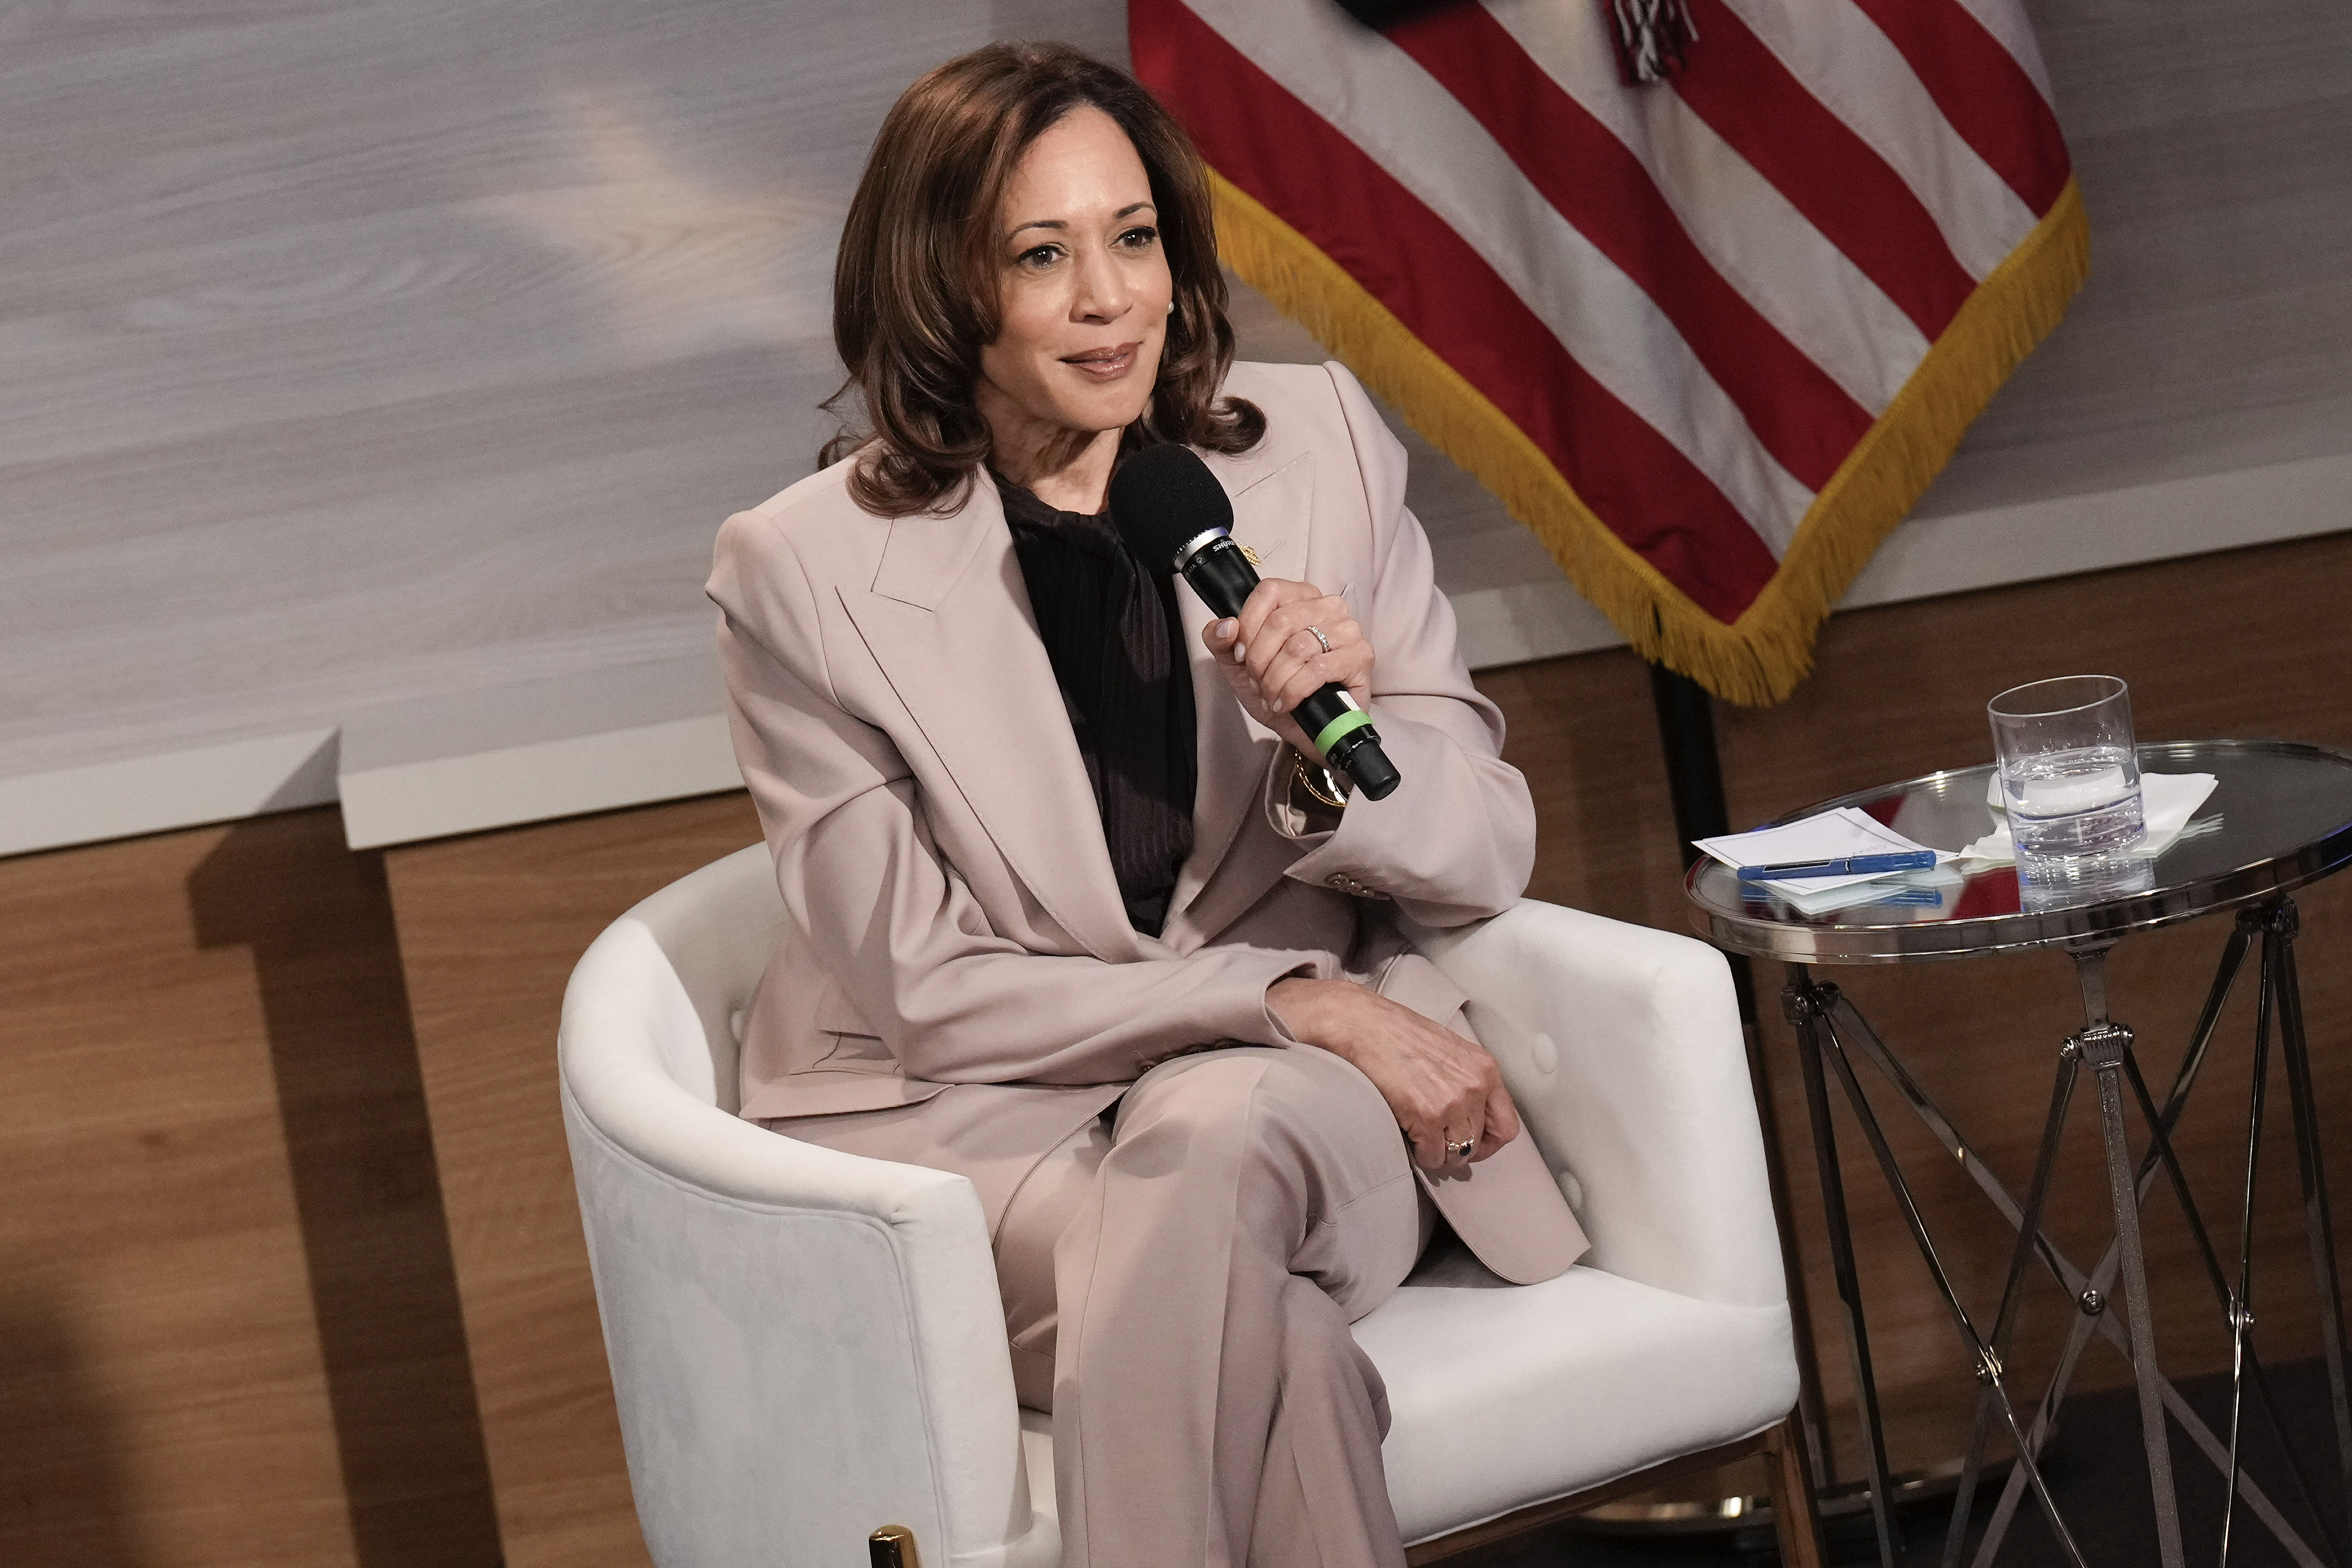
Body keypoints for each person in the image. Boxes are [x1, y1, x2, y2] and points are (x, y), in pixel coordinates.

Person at [706, 40, 1586, 1568]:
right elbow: (931, 991)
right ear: (943, 290)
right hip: (984, 1140)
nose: (1111, 298)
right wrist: (1292, 998)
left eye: (1134, 238)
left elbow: (1484, 841)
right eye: (1042, 256)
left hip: (1308, 1127)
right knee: (1285, 1364)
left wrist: (1332, 745)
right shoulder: (802, 570)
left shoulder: (1317, 449)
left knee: (1220, 1134)